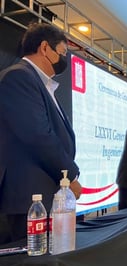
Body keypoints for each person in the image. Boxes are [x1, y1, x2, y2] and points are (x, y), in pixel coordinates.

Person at [0, 23, 82, 245]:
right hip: (29, 198)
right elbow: (38, 136)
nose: (63, 59)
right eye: (62, 52)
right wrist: (71, 176)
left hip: (47, 194)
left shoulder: (41, 83)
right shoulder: (19, 77)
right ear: (45, 48)